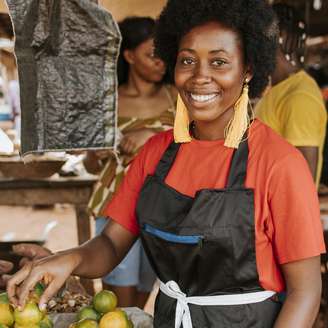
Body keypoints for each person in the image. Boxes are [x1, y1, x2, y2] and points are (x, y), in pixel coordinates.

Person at [8, 1, 325, 327]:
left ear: (247, 70)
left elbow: (306, 292)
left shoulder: (279, 163)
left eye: (219, 62)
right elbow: (109, 244)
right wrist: (67, 259)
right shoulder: (155, 154)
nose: (200, 77)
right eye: (187, 60)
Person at [83, 17, 176, 308]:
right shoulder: (108, 101)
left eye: (164, 54)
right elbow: (90, 166)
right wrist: (95, 154)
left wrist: (151, 135)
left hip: (161, 206)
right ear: (129, 55)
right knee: (118, 299)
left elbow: (197, 145)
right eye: (152, 54)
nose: (160, 62)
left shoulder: (177, 97)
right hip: (114, 204)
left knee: (142, 294)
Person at [255, 3, 327, 187]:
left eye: (258, 36)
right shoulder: (277, 90)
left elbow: (302, 184)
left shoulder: (300, 96)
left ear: (281, 37)